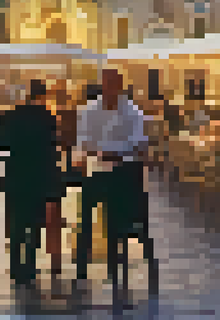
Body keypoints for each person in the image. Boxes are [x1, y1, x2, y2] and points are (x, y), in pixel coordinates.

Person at [74, 68, 150, 285]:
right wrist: (98, 152)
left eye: (113, 85)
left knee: (115, 211)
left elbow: (139, 142)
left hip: (122, 173)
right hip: (96, 171)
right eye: (106, 84)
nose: (110, 89)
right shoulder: (90, 111)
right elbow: (83, 141)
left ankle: (114, 258)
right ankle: (83, 262)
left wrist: (119, 152)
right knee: (85, 216)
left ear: (120, 86)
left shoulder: (132, 112)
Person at [0, 79, 63, 286]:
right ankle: (30, 267)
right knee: (34, 223)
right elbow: (54, 144)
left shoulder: (10, 116)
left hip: (16, 175)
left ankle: (16, 268)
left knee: (17, 222)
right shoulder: (48, 117)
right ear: (43, 96)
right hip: (40, 176)